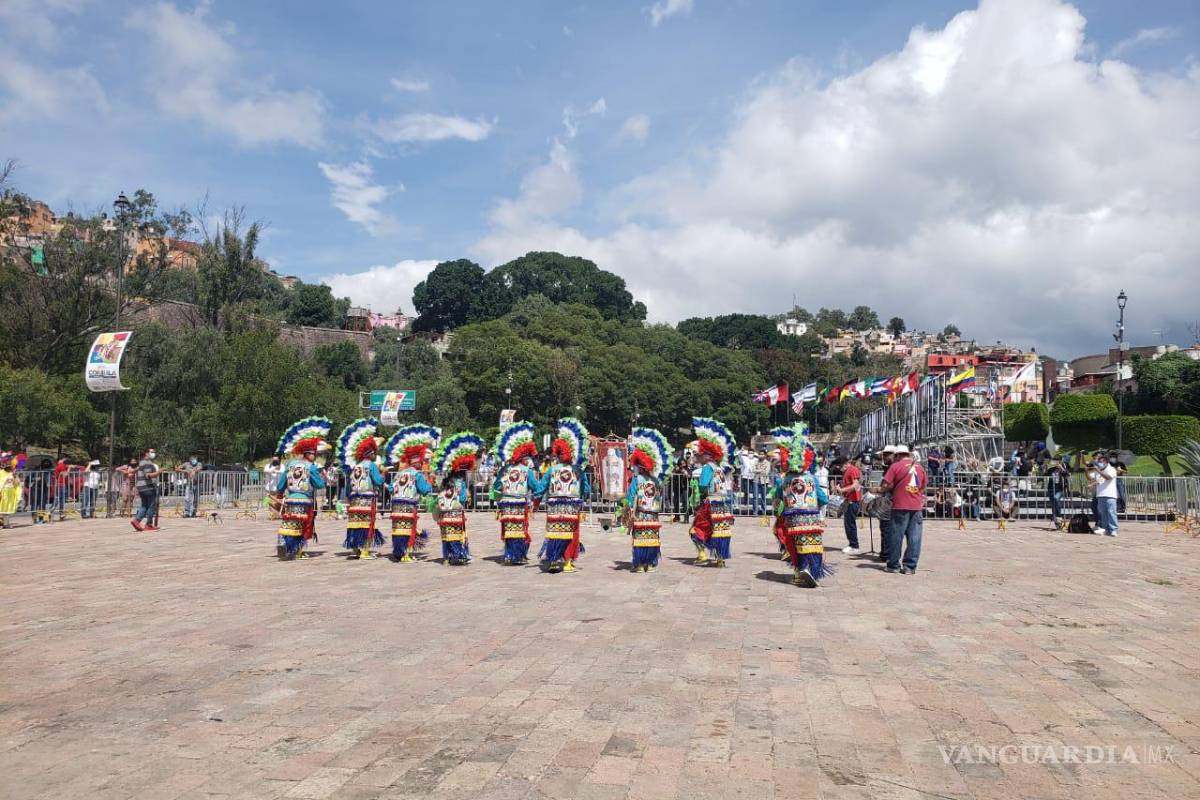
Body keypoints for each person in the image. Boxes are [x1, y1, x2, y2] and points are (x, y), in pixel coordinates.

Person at [771, 424, 831, 587]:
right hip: (811, 518)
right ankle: (811, 571)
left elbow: (777, 497)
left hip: (792, 519)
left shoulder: (784, 480)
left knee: (795, 546)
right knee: (812, 545)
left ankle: (799, 572)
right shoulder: (811, 478)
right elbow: (823, 499)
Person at [539, 418, 591, 574]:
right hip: (572, 507)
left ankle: (554, 560)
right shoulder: (577, 470)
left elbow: (541, 487)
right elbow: (586, 488)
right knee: (572, 534)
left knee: (555, 532)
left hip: (555, 507)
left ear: (558, 454)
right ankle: (568, 563)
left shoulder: (552, 470)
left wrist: (535, 499)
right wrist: (582, 497)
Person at [274, 417, 331, 559]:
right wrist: (322, 478)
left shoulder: (290, 464)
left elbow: (281, 484)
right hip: (305, 500)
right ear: (308, 454)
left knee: (290, 522)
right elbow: (319, 485)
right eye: (314, 454)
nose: (315, 456)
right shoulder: (311, 467)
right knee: (304, 525)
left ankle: (283, 542)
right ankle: (299, 551)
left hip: (291, 499)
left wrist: (279, 495)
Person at [383, 425, 440, 562]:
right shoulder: (417, 475)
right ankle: (406, 554)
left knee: (398, 529)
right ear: (418, 463)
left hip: (396, 506)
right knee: (409, 529)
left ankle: (398, 552)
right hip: (408, 506)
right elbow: (425, 490)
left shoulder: (399, 474)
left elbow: (390, 488)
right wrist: (431, 481)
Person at [492, 422, 546, 565]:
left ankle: (509, 555)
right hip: (520, 504)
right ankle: (518, 555)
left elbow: (496, 486)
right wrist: (538, 498)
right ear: (523, 457)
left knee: (509, 530)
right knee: (520, 530)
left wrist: (501, 497)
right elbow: (537, 487)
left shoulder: (505, 470)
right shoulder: (526, 471)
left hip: (506, 505)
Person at [430, 431, 484, 565]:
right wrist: (465, 497)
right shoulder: (460, 482)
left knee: (446, 536)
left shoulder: (446, 481)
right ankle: (458, 555)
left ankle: (446, 557)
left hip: (444, 515)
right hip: (456, 514)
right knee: (457, 535)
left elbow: (441, 495)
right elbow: (463, 499)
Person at [689, 417, 737, 566]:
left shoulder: (707, 468)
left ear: (706, 455)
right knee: (719, 530)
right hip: (722, 503)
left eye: (699, 454)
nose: (698, 457)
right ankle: (720, 559)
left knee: (695, 529)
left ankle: (702, 556)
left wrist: (698, 499)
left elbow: (703, 486)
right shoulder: (719, 468)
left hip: (709, 503)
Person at [338, 418, 386, 559]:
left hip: (355, 500)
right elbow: (378, 481)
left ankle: (355, 548)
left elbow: (349, 486)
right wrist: (383, 473)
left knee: (355, 524)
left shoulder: (355, 467)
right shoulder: (371, 465)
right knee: (367, 524)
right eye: (374, 452)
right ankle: (365, 551)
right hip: (367, 500)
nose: (376, 454)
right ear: (370, 454)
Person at [626, 427, 673, 573]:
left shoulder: (637, 479)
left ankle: (640, 565)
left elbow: (630, 497)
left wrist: (627, 510)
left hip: (640, 514)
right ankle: (651, 564)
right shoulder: (656, 481)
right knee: (652, 538)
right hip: (653, 515)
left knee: (639, 538)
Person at [879, 445, 927, 574]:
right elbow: (923, 486)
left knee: (896, 536)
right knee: (915, 537)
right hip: (916, 506)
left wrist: (880, 490)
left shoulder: (895, 466)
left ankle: (893, 565)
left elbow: (885, 485)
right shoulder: (919, 467)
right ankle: (910, 567)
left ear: (898, 455)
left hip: (900, 505)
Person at [834, 452, 864, 555]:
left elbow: (855, 485)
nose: (839, 468)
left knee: (850, 524)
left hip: (853, 501)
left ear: (846, 464)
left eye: (840, 466)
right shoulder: (847, 471)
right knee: (848, 524)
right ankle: (852, 544)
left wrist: (842, 490)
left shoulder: (852, 470)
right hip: (849, 500)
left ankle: (854, 546)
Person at [1088, 453, 1120, 536]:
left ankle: (1114, 529)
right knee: (1103, 514)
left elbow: (1108, 477)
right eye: (1098, 462)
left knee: (1111, 512)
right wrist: (1092, 484)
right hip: (1100, 495)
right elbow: (1095, 479)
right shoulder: (1098, 471)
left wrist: (1098, 471)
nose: (1099, 463)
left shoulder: (1111, 469)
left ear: (1106, 462)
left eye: (1101, 462)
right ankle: (1105, 529)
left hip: (1110, 495)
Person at [131, 448, 161, 531]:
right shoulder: (147, 463)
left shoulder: (141, 462)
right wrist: (159, 472)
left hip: (141, 487)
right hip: (148, 486)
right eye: (152, 452)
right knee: (151, 505)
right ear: (146, 453)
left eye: (154, 452)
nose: (153, 453)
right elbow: (148, 475)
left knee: (144, 505)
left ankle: (137, 521)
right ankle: (148, 524)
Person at [177, 453, 203, 518]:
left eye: (195, 459)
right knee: (187, 498)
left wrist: (194, 471)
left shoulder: (199, 464)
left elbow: (199, 468)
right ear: (190, 460)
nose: (194, 460)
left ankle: (194, 511)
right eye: (192, 459)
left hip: (197, 483)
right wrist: (185, 471)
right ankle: (187, 512)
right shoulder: (186, 464)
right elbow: (177, 469)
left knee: (196, 499)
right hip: (189, 484)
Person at [1046, 458, 1068, 529]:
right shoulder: (1051, 469)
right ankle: (1057, 524)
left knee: (1056, 499)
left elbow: (1067, 474)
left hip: (1060, 489)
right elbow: (1045, 475)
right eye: (1054, 462)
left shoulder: (1063, 468)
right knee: (1053, 505)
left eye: (1057, 462)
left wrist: (1061, 468)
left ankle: (1059, 516)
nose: (1056, 463)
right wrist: (1045, 467)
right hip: (1051, 488)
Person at [0, 453, 20, 527]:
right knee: (2, 508)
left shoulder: (13, 473)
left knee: (7, 509)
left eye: (10, 466)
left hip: (10, 493)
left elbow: (17, 483)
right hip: (3, 492)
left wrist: (15, 476)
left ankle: (6, 524)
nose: (9, 467)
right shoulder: (1, 473)